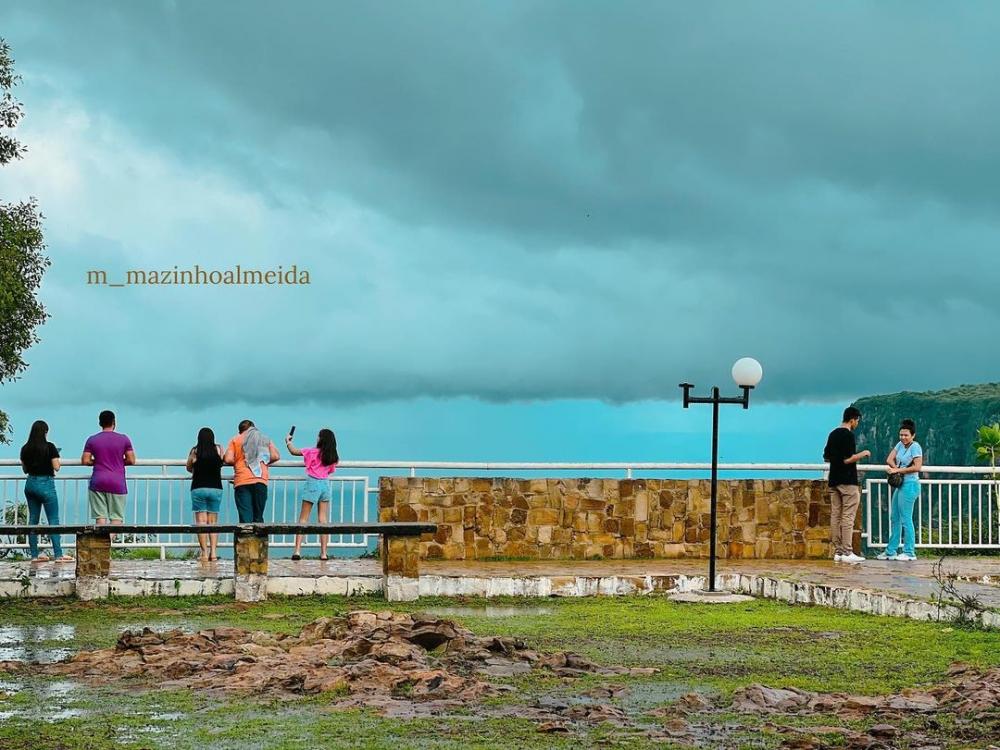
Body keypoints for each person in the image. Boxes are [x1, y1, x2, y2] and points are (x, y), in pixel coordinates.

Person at [19, 420, 73, 563]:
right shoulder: (50, 447)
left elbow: (25, 470)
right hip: (46, 484)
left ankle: (35, 556)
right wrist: (56, 456)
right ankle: (58, 555)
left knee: (33, 521)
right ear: (45, 432)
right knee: (53, 520)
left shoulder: (25, 448)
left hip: (30, 484)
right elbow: (57, 467)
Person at [823, 406, 870, 564]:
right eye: (857, 421)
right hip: (847, 480)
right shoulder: (848, 436)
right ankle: (848, 551)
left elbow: (826, 457)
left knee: (835, 515)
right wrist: (862, 454)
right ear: (852, 420)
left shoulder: (833, 434)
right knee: (848, 516)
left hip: (833, 479)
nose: (857, 423)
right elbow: (847, 459)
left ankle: (838, 551)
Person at [285, 428, 339, 561]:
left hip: (312, 484)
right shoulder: (333, 456)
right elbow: (331, 471)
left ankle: (297, 551)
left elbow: (294, 452)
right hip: (325, 485)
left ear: (321, 439)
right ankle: (324, 553)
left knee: (303, 518)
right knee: (323, 520)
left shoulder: (312, 451)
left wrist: (288, 442)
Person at [877, 419, 924, 561]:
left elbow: (917, 467)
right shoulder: (900, 444)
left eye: (906, 435)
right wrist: (895, 469)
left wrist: (897, 470)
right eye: (901, 435)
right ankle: (891, 551)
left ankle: (909, 552)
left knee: (906, 519)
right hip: (901, 485)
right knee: (895, 517)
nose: (903, 437)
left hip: (910, 485)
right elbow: (889, 459)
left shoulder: (915, 447)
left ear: (913, 435)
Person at [81, 410, 136, 528]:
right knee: (116, 518)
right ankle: (108, 542)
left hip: (98, 480)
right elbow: (131, 460)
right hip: (117, 481)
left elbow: (85, 460)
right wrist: (119, 461)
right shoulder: (124, 439)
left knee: (100, 518)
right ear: (114, 422)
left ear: (100, 423)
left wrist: (98, 461)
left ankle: (102, 544)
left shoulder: (92, 439)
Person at [223, 420, 279, 523]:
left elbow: (228, 459)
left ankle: (245, 538)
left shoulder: (236, 439)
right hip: (260, 480)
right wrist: (263, 460)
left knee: (245, 517)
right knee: (258, 516)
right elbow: (276, 456)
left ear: (240, 431)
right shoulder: (264, 439)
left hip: (242, 480)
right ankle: (259, 538)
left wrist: (239, 460)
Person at [186, 427, 224, 562]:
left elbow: (189, 467)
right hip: (215, 488)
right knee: (213, 522)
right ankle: (213, 553)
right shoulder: (219, 449)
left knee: (201, 522)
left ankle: (204, 553)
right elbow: (221, 464)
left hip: (198, 487)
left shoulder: (195, 451)